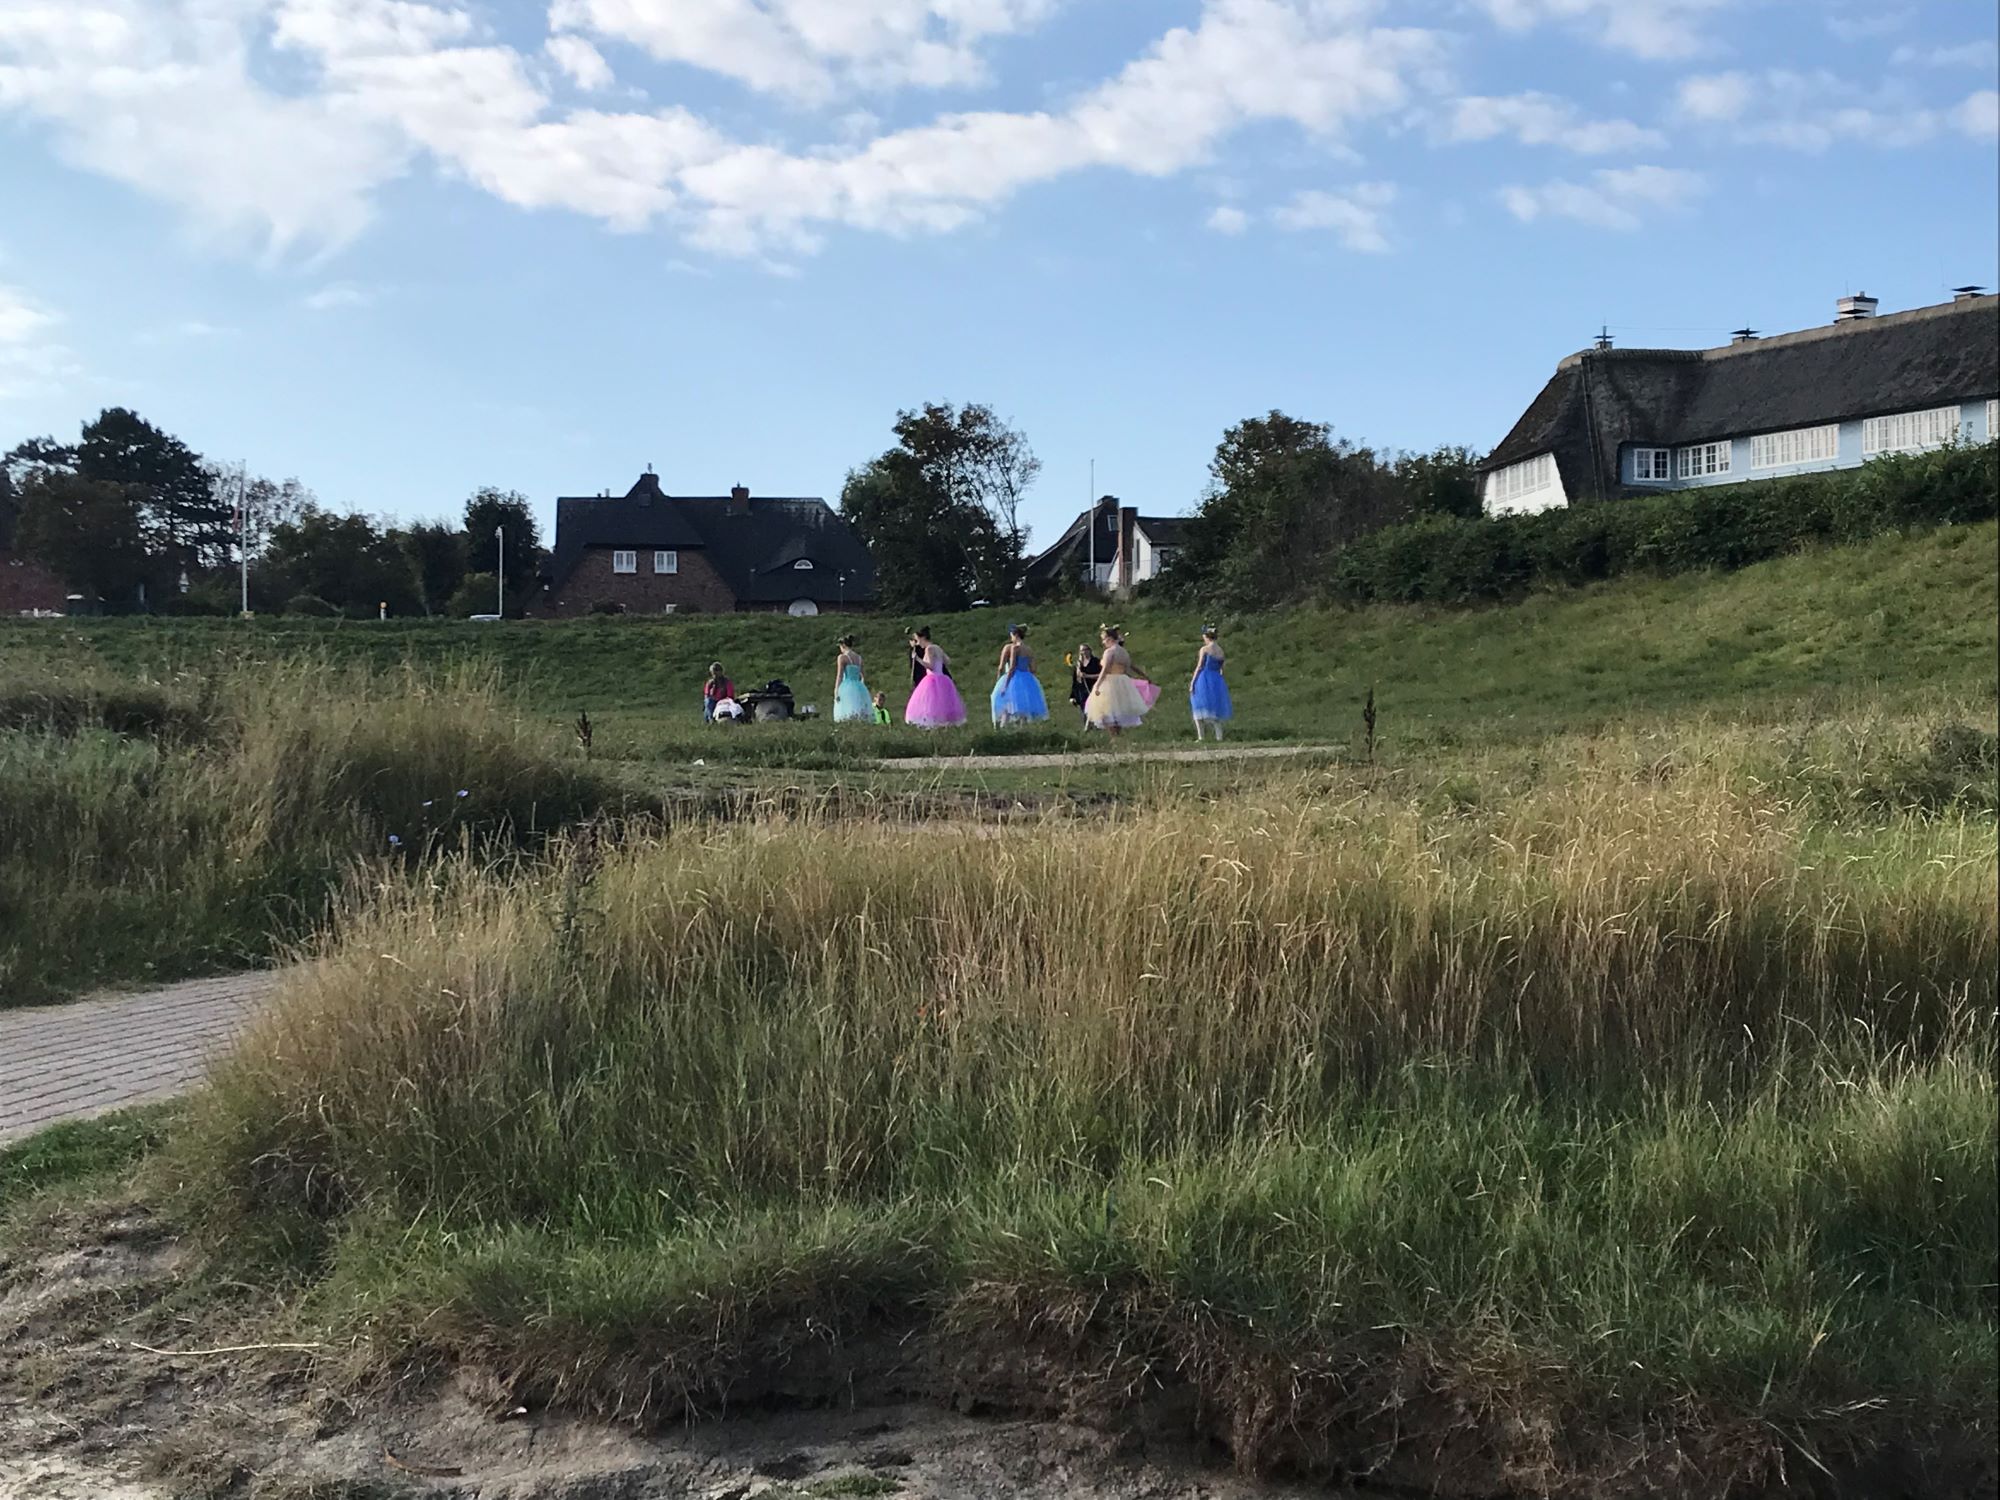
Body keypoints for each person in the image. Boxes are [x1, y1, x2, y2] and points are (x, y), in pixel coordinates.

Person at [1084, 624, 1152, 737]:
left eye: (1104, 639)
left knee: (1106, 711)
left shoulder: (1110, 652)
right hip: (1123, 681)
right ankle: (1117, 735)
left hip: (1110, 681)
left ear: (1109, 639)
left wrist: (1098, 684)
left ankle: (1114, 736)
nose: (1103, 643)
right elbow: (1130, 667)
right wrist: (1145, 676)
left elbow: (1105, 669)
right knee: (1117, 711)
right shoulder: (1124, 652)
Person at [905, 626, 967, 727]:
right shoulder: (937, 647)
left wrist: (917, 659)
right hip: (942, 677)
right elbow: (948, 661)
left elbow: (930, 666)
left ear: (922, 638)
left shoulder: (929, 649)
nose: (918, 643)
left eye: (918, 640)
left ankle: (934, 724)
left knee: (931, 703)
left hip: (932, 679)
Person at [990, 624, 1050, 726]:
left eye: (1011, 635)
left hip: (1013, 678)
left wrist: (1004, 685)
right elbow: (1033, 669)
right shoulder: (1029, 650)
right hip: (1027, 678)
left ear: (1015, 635)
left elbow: (1011, 667)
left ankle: (1002, 728)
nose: (1011, 638)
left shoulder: (1014, 648)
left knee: (1005, 705)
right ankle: (1023, 729)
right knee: (1023, 708)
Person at [1189, 625, 1233, 741]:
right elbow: (1222, 668)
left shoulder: (1204, 649)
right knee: (1215, 708)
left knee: (1198, 704)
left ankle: (1201, 736)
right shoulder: (1220, 651)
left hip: (1204, 678)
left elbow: (1199, 666)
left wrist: (1193, 682)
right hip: (1216, 679)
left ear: (1207, 637)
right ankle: (1219, 736)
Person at [832, 635, 873, 723]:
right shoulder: (859, 658)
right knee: (858, 706)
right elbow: (863, 675)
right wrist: (862, 685)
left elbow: (839, 675)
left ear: (843, 645)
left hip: (847, 685)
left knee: (847, 707)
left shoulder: (842, 657)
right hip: (858, 685)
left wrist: (836, 690)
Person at [1069, 641, 1101, 726]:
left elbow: (1101, 675)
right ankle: (1088, 726)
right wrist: (1072, 696)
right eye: (1082, 650)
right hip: (1082, 690)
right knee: (1084, 709)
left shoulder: (1096, 662)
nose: (1084, 652)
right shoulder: (1079, 665)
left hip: (1093, 688)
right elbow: (1075, 681)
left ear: (1090, 650)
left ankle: (1095, 725)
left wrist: (1087, 676)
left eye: (1086, 649)